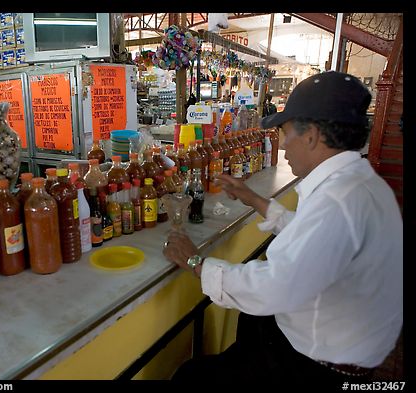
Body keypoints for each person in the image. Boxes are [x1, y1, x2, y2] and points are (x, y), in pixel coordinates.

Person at [162, 71, 402, 387]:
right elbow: (311, 240)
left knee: (190, 376)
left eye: (286, 133)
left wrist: (196, 262)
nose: (284, 145)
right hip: (339, 337)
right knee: (252, 322)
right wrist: (253, 199)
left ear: (313, 136)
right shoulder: (358, 182)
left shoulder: (339, 201)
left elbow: (274, 287)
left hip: (321, 367)